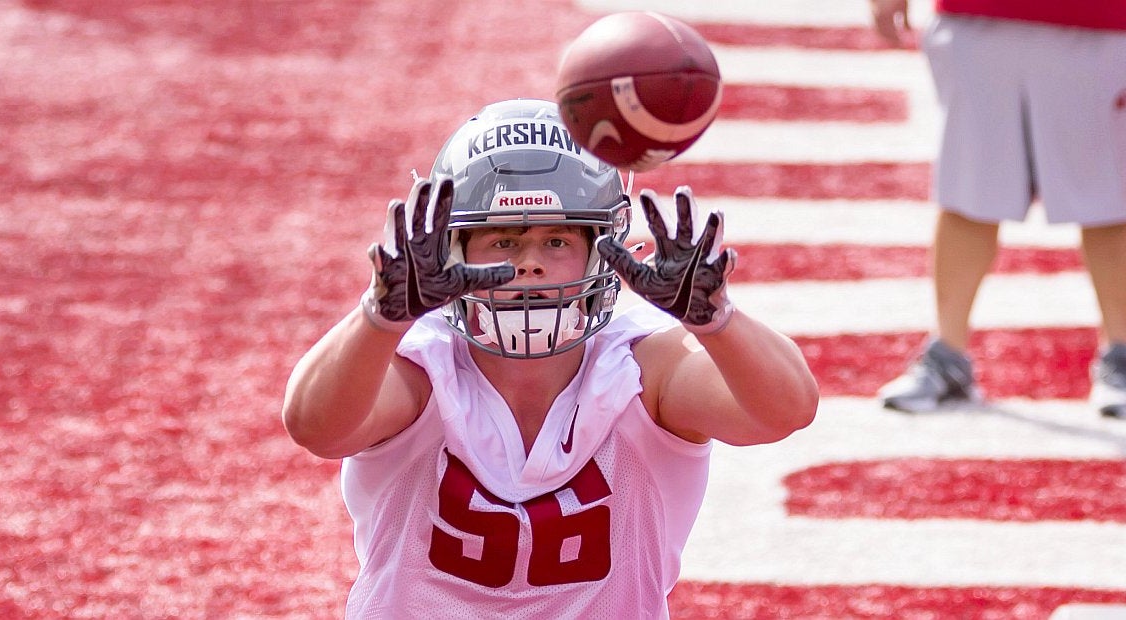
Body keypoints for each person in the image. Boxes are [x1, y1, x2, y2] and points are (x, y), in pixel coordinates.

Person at [281, 99, 819, 618]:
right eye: (503, 241)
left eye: (557, 241)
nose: (530, 265)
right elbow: (314, 427)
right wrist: (378, 319)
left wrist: (717, 321)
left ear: (599, 250)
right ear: (453, 250)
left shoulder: (644, 369)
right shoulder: (420, 366)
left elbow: (786, 411)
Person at [870, 0, 1126, 417]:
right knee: (968, 193)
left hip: (1101, 21)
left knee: (1110, 202)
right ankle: (947, 352)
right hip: (978, 17)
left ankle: (1122, 355)